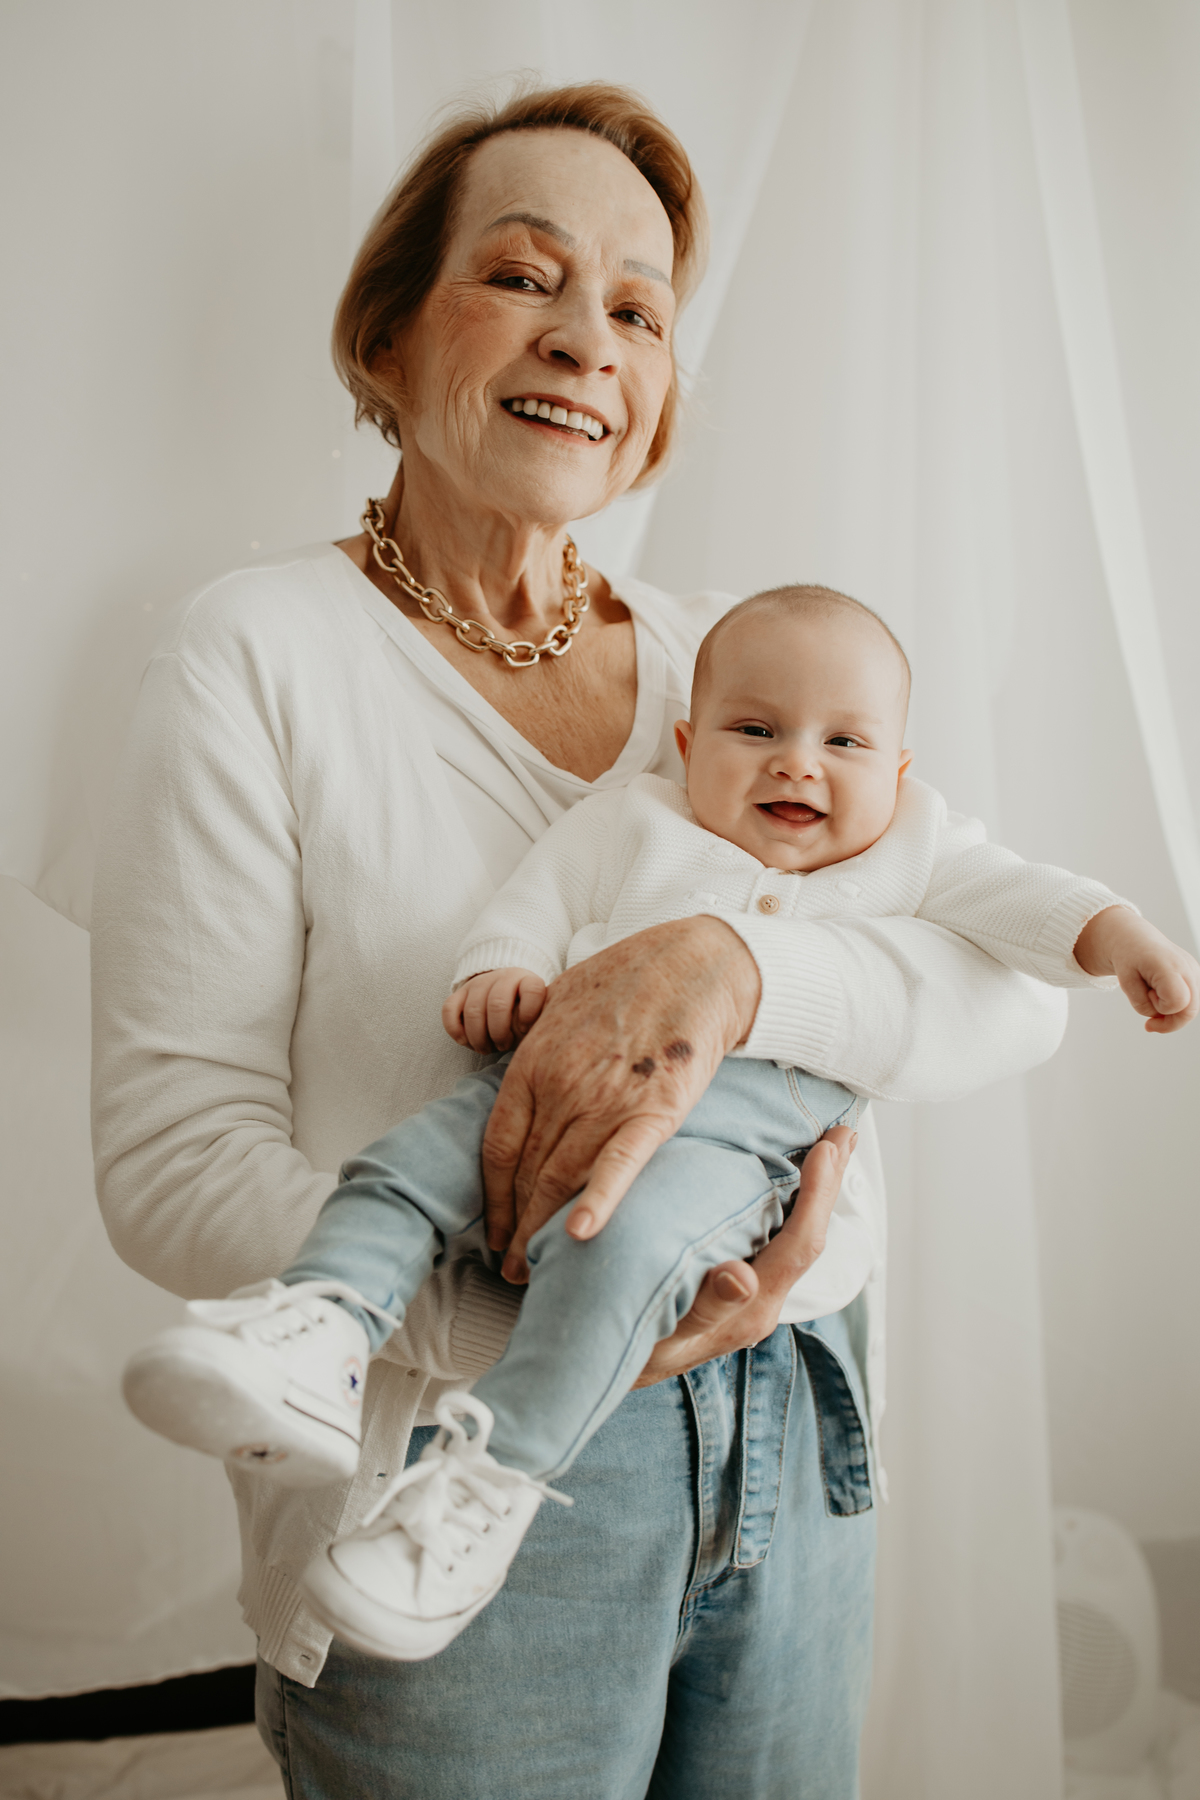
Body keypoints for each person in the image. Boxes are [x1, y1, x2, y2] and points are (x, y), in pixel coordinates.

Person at [92, 83, 1088, 1798]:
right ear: (391, 332)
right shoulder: (249, 655)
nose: (589, 338)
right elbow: (175, 1171)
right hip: (438, 1489)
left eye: (639, 306)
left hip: (787, 1429)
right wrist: (557, 1324)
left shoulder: (746, 674)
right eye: (525, 275)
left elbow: (1010, 993)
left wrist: (743, 972)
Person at [120, 582, 1197, 1665]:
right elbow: (540, 899)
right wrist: (504, 968)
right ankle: (324, 1322)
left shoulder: (914, 848)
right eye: (755, 731)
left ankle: (491, 1485)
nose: (797, 762)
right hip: (542, 1079)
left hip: (735, 1139)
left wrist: (1121, 936)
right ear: (690, 743)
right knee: (410, 1163)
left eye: (845, 742)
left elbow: (1020, 906)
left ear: (902, 773)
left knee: (621, 1246)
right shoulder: (637, 815)